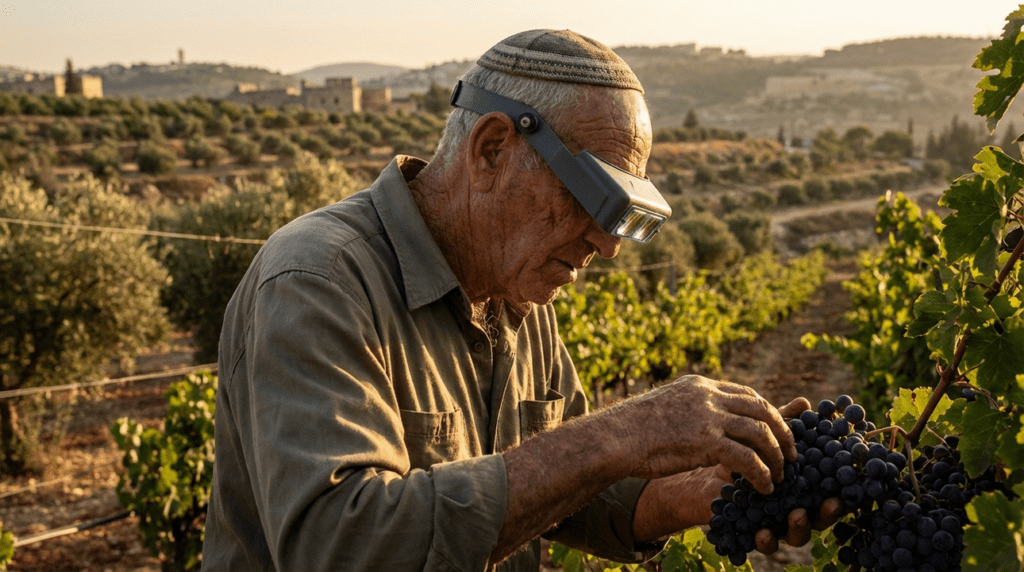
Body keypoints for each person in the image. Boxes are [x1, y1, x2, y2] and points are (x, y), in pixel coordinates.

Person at [202, 29, 835, 571]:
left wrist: (686, 495)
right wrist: (619, 433)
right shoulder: (318, 282)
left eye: (625, 219)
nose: (608, 246)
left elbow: (561, 487)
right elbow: (341, 546)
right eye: (594, 202)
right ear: (493, 149)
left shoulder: (519, 297)